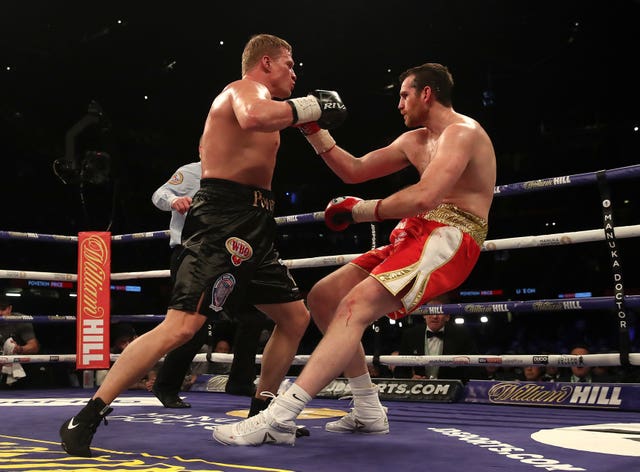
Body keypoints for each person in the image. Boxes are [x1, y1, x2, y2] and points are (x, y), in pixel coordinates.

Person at [60, 33, 346, 457]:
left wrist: (313, 124)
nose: (295, 72)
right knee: (182, 326)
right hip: (222, 219)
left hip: (256, 221)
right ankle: (87, 414)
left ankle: (262, 415)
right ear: (266, 63)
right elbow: (253, 118)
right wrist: (312, 104)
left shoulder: (270, 106)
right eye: (289, 63)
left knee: (293, 318)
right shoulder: (245, 90)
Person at [213, 62, 496, 446]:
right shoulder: (414, 141)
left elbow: (426, 196)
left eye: (404, 94)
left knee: (354, 307)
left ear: (426, 93)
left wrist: (359, 210)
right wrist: (314, 131)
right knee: (325, 296)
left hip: (451, 235)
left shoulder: (463, 133)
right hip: (415, 232)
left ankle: (278, 416)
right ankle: (367, 408)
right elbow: (354, 170)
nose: (399, 103)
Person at [150, 161, 272, 407]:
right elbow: (159, 194)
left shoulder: (240, 175)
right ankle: (166, 386)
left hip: (233, 255)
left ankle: (240, 381)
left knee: (253, 316)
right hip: (194, 255)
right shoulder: (193, 171)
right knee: (192, 324)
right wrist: (174, 201)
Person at [393, 296, 479, 382]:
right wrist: (411, 379)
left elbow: (473, 368)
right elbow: (400, 370)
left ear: (447, 316)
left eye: (439, 312)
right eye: (430, 311)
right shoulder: (411, 335)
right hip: (420, 389)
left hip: (451, 388)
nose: (434, 316)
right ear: (424, 314)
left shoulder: (461, 335)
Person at [0, 297, 40, 387]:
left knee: (10, 345)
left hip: (21, 367)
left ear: (10, 309)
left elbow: (34, 347)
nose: (0, 313)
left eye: (3, 309)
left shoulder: (20, 320)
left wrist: (19, 349)